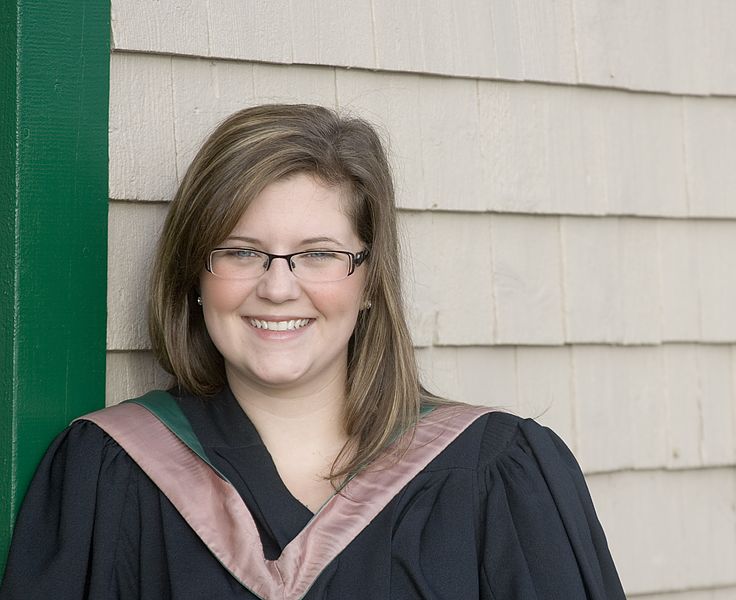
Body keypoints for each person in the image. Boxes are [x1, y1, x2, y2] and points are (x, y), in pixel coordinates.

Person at [0, 104, 626, 599]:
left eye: (320, 253)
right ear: (195, 275)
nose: (278, 287)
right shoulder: (108, 477)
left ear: (370, 280)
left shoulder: (496, 478)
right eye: (241, 251)